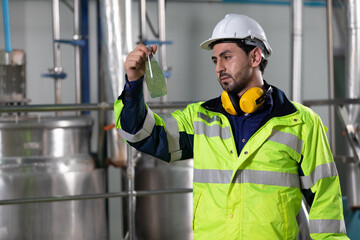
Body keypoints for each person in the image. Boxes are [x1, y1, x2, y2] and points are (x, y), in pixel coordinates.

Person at [114, 14, 348, 240]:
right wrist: (133, 83)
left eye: (227, 57)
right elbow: (139, 133)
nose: (219, 67)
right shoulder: (201, 119)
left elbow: (324, 202)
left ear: (255, 57)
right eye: (216, 60)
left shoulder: (301, 123)